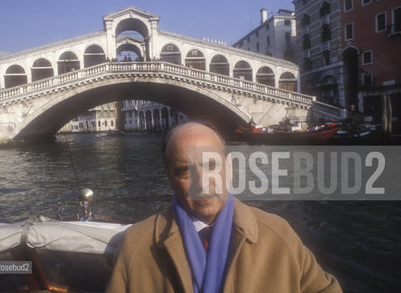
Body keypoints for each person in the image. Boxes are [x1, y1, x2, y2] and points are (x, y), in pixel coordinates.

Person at [106, 122, 342, 292]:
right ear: (169, 177)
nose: (202, 182)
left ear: (229, 168)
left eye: (212, 165)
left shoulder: (279, 235)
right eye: (185, 171)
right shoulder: (136, 245)